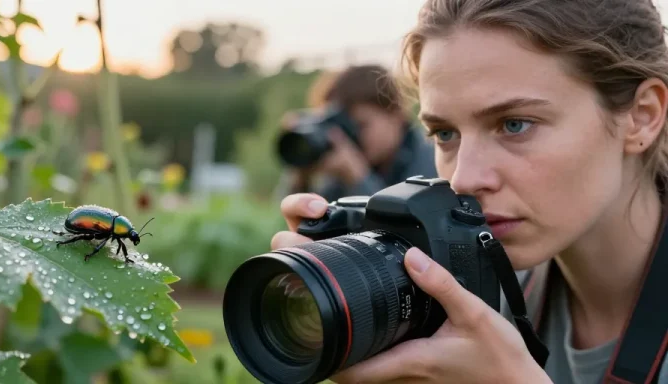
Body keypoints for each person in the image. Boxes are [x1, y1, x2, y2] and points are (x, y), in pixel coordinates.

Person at [270, 0, 668, 383]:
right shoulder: (480, 298)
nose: (463, 178)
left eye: (515, 124)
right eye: (445, 134)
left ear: (642, 117)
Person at [279, 64, 437, 203]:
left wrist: (358, 178)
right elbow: (301, 228)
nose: (350, 136)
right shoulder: (348, 161)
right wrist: (302, 175)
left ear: (396, 116)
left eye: (360, 125)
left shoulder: (433, 159)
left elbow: (404, 230)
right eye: (342, 127)